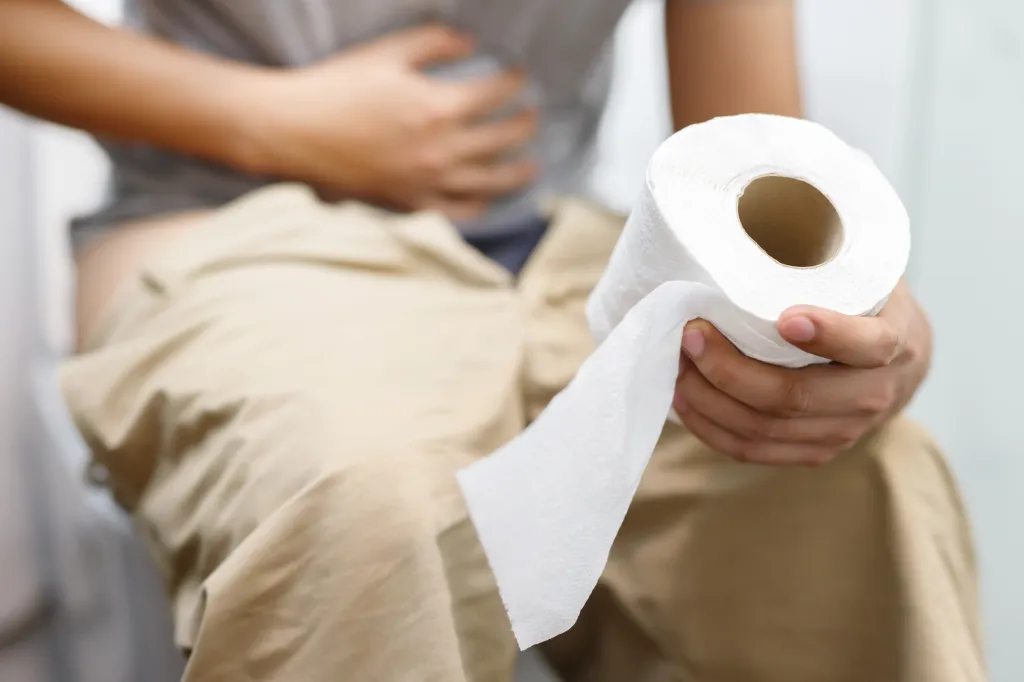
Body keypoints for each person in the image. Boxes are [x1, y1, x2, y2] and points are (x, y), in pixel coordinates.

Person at [0, 1, 986, 681]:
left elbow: (756, 151)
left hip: (557, 237)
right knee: (367, 505)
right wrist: (281, 118)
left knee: (867, 482)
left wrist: (871, 335)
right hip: (219, 205)